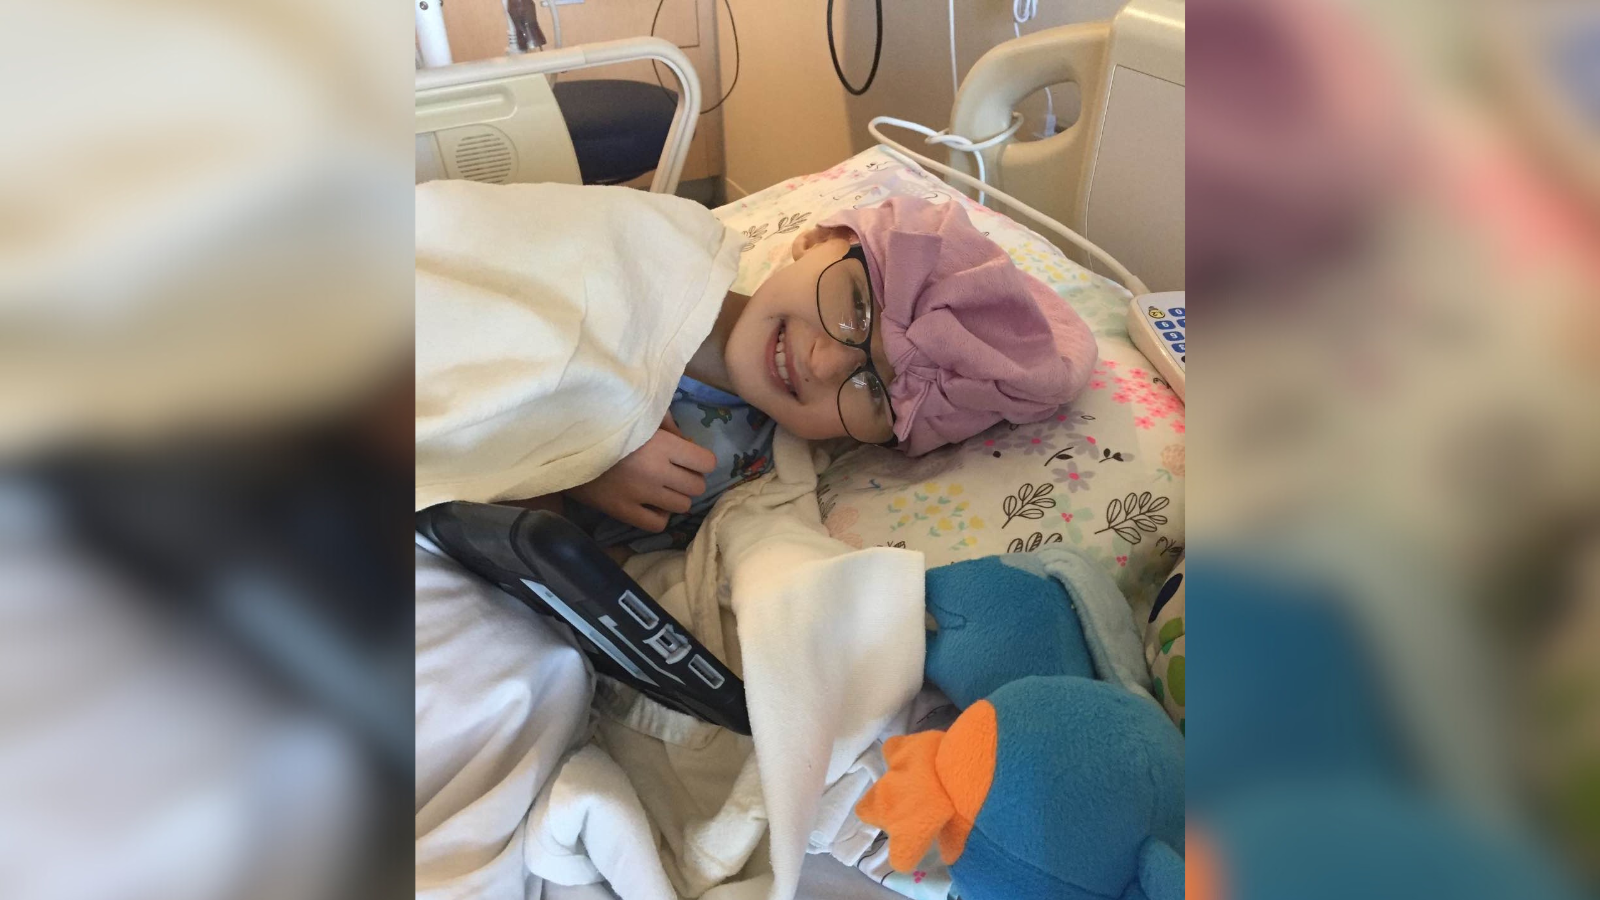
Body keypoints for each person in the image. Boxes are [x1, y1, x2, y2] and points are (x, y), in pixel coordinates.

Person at [415, 187, 1097, 552]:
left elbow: (574, 579)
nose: (823, 360)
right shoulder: (653, 246)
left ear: (878, 442)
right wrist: (585, 452)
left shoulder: (764, 472)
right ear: (818, 239)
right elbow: (477, 302)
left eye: (874, 392)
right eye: (856, 304)